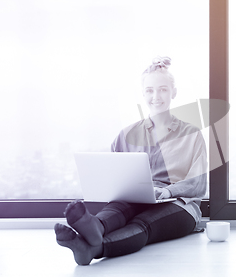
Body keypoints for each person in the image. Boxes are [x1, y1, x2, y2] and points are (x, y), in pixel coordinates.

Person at [54, 56, 207, 265]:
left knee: (142, 224)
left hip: (180, 205)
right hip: (136, 199)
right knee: (116, 210)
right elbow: (114, 177)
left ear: (174, 92)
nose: (156, 96)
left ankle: (94, 249)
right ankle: (94, 226)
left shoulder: (191, 134)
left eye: (163, 89)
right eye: (150, 90)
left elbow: (198, 184)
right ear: (143, 94)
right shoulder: (126, 135)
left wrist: (168, 191)